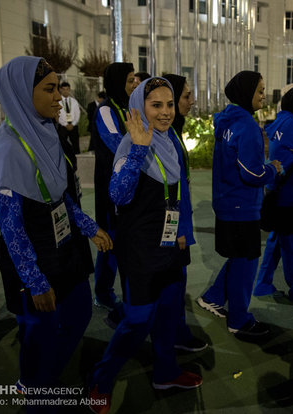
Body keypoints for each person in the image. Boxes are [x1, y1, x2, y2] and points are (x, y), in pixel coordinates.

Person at [0, 56, 112, 410]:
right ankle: (38, 393)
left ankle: (39, 381)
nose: (59, 97)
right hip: (33, 258)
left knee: (78, 314)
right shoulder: (7, 148)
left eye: (58, 87)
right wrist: (36, 282)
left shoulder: (46, 131)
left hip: (64, 248)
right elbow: (11, 228)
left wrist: (88, 227)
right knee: (40, 334)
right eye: (49, 89)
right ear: (23, 93)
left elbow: (61, 196)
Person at [88, 77, 202, 414]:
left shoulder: (169, 139)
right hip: (140, 249)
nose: (166, 112)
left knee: (168, 313)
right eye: (157, 105)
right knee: (137, 321)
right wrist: (138, 148)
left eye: (169, 104)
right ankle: (101, 381)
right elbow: (118, 195)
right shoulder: (130, 144)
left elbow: (179, 190)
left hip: (170, 245)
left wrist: (182, 230)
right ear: (140, 106)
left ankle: (165, 373)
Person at [197, 71, 282, 337]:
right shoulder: (246, 125)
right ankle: (239, 320)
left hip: (226, 202)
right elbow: (252, 173)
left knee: (238, 256)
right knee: (246, 262)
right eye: (259, 90)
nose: (263, 95)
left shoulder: (227, 120)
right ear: (246, 93)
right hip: (241, 206)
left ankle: (212, 296)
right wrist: (273, 169)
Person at [253, 85, 293, 306]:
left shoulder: (281, 120)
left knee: (276, 241)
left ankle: (263, 283)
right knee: (291, 247)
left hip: (276, 192)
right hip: (288, 197)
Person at [163, 73, 209, 353]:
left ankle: (175, 333)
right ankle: (172, 338)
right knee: (172, 285)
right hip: (172, 226)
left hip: (177, 222)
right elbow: (168, 190)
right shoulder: (164, 136)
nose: (191, 101)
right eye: (186, 96)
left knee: (177, 284)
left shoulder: (173, 131)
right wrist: (179, 231)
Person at [92, 62, 137, 312]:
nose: (133, 85)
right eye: (130, 80)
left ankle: (123, 292)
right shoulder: (106, 110)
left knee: (124, 238)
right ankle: (103, 292)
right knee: (109, 239)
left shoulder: (126, 107)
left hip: (126, 186)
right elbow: (117, 143)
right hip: (110, 189)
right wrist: (141, 149)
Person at [57, 81, 82, 154]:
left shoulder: (74, 101)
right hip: (63, 126)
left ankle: (76, 161)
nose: (65, 91)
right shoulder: (58, 101)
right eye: (63, 89)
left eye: (67, 89)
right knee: (62, 145)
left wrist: (73, 124)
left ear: (69, 90)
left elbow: (77, 114)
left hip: (73, 126)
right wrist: (65, 124)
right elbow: (58, 115)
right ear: (60, 90)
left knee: (76, 145)